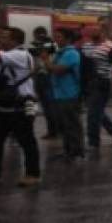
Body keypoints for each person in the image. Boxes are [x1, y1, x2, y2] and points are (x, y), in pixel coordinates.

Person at [0, 27, 41, 186]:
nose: (0, 39)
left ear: (15, 41)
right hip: (4, 105)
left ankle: (33, 175)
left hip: (20, 105)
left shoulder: (19, 55)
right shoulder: (7, 56)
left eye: (5, 37)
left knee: (26, 141)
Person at [41, 28, 85, 161]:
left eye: (59, 37)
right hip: (59, 93)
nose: (56, 39)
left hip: (70, 94)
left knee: (71, 124)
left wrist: (45, 59)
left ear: (68, 39)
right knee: (64, 125)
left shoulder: (71, 53)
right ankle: (68, 150)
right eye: (55, 36)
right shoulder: (59, 53)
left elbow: (58, 70)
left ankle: (76, 151)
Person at [82, 22, 112, 149]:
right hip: (88, 83)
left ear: (102, 32)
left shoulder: (110, 47)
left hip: (102, 82)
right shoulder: (86, 46)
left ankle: (93, 142)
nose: (92, 33)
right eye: (91, 30)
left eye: (95, 30)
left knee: (93, 113)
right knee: (97, 111)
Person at [29, 26, 59, 140]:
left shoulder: (52, 44)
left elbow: (49, 52)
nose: (38, 39)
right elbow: (33, 53)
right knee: (47, 106)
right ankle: (53, 130)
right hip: (40, 76)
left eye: (40, 36)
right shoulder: (36, 45)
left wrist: (43, 44)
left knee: (50, 106)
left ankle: (54, 130)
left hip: (47, 75)